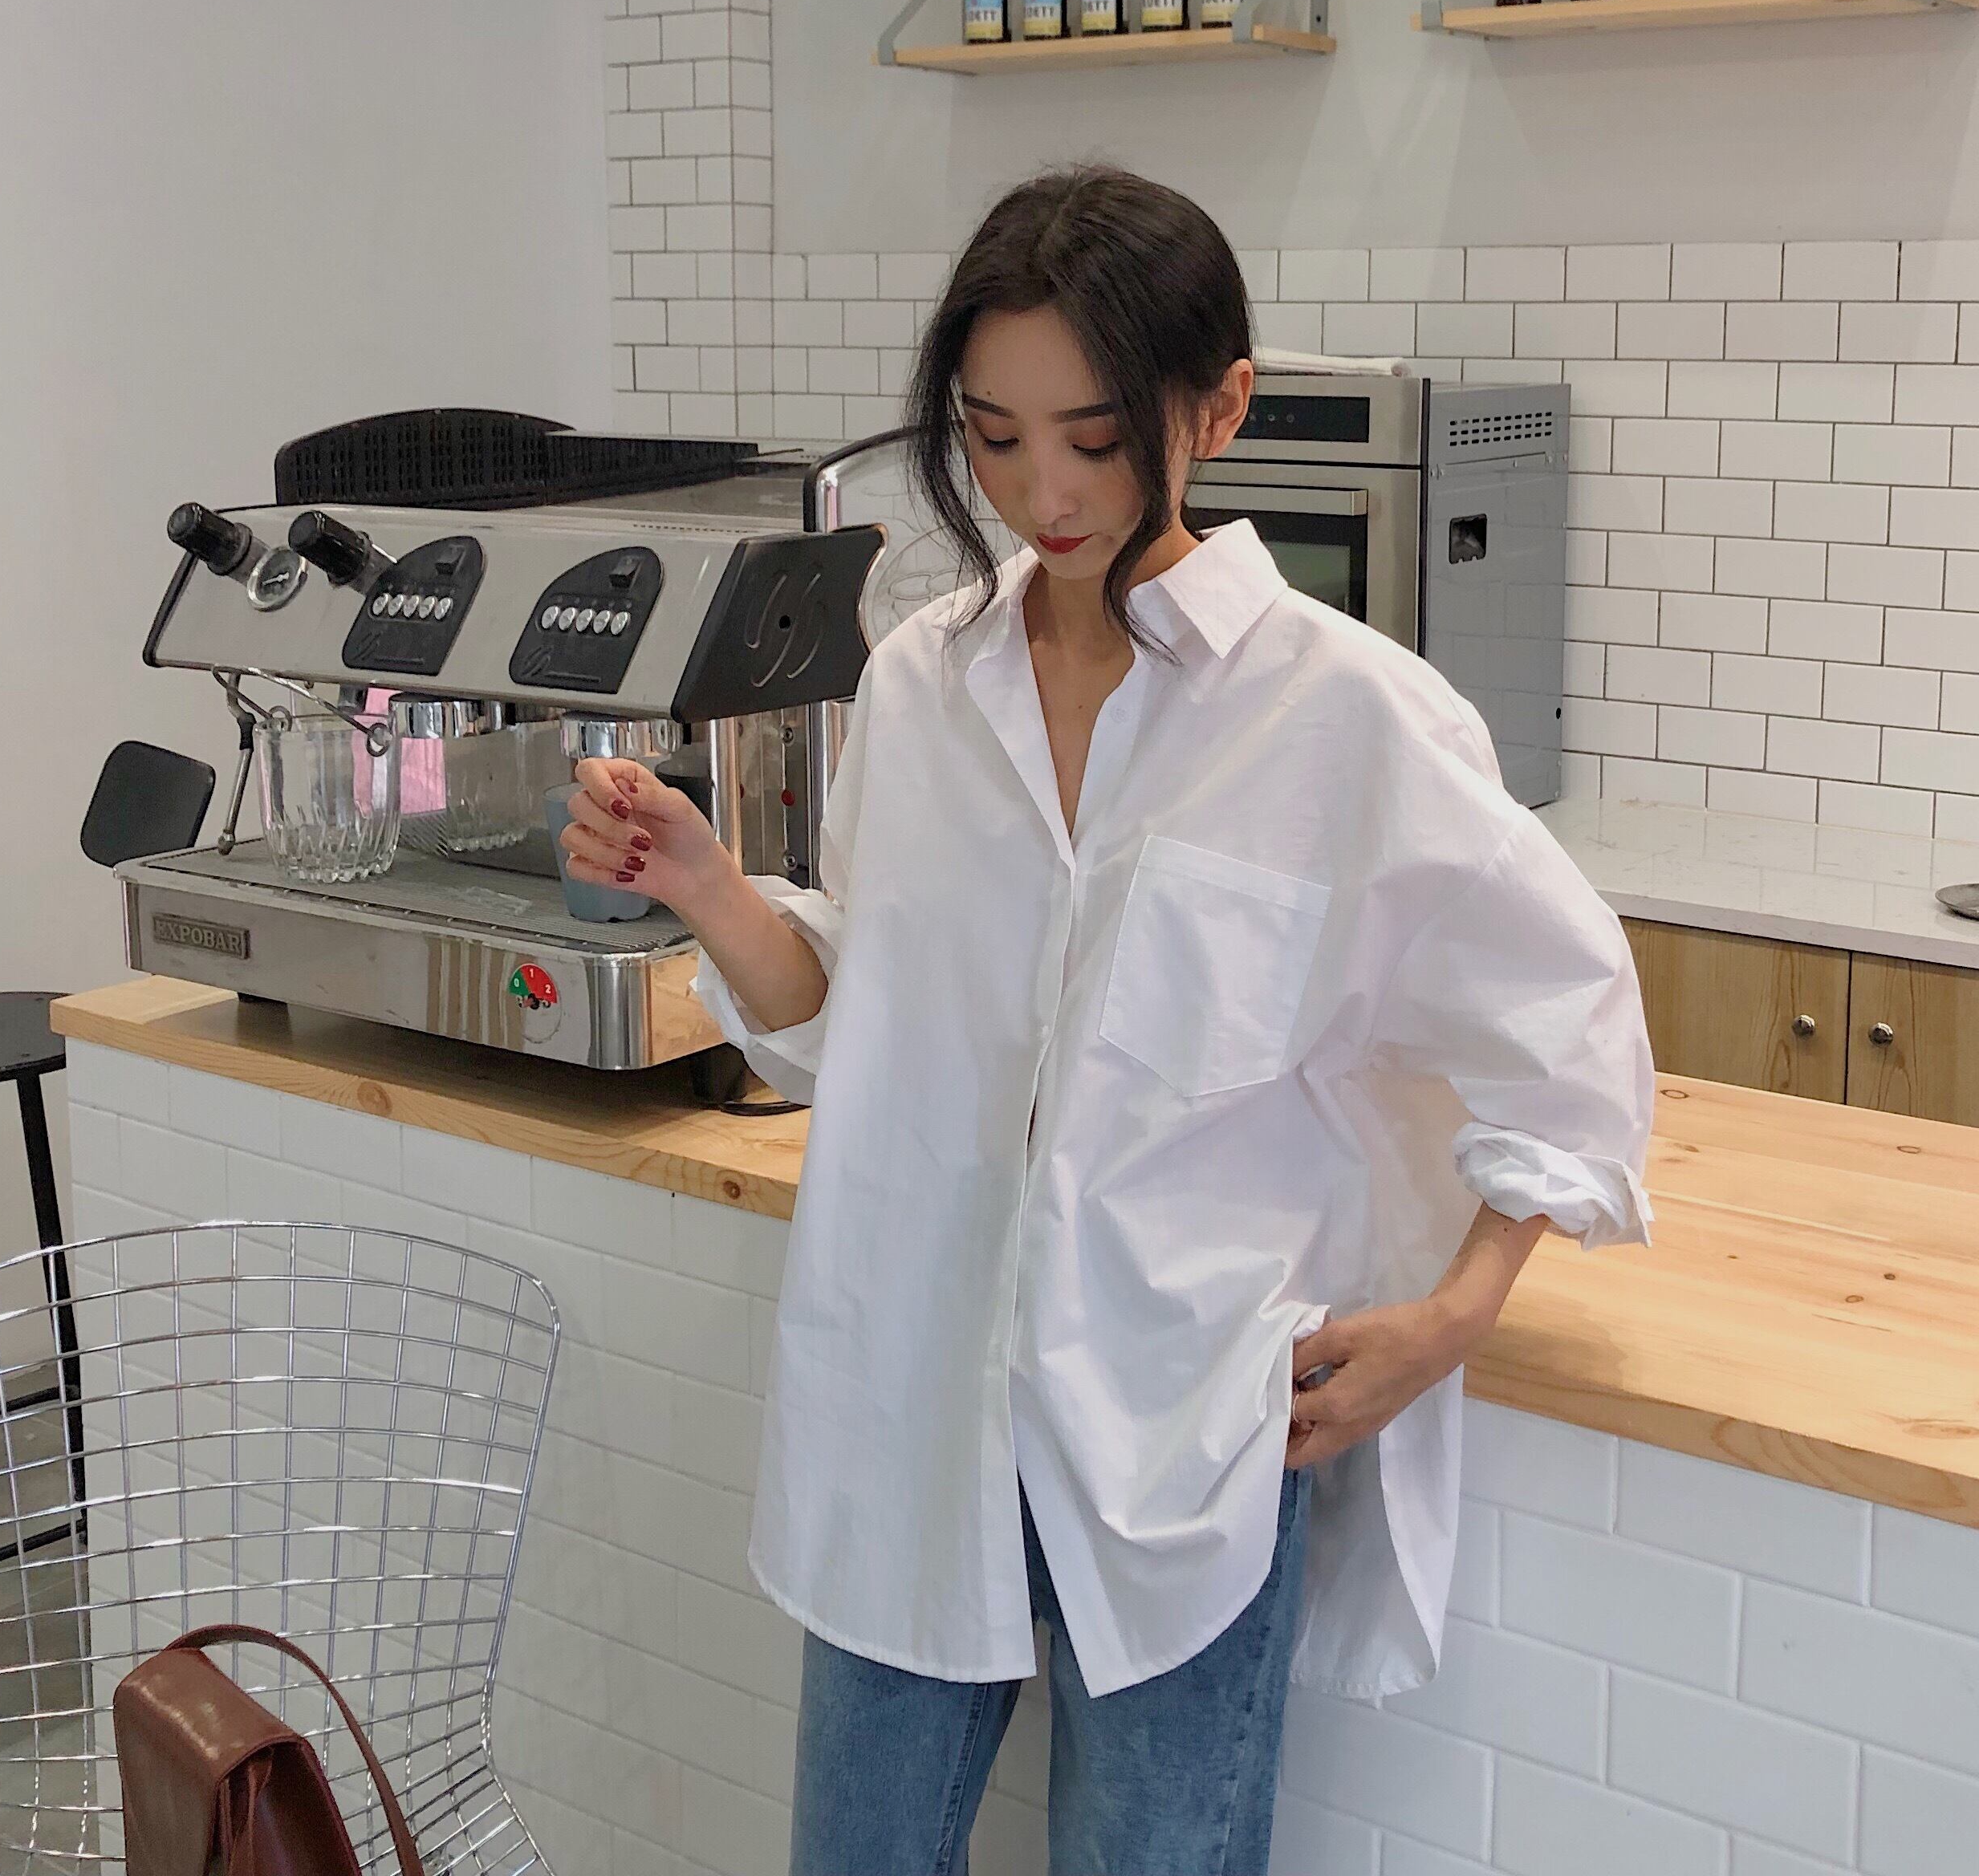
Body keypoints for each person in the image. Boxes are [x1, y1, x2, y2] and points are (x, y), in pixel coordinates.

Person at [560, 165, 1654, 1876]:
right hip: (920, 1399)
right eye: (994, 438)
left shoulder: (1348, 719)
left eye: (1094, 437)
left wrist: (1453, 1317)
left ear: (1217, 407)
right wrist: (708, 886)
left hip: (1188, 1435)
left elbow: (1570, 1034)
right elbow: (863, 1025)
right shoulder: (923, 684)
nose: (1043, 494)